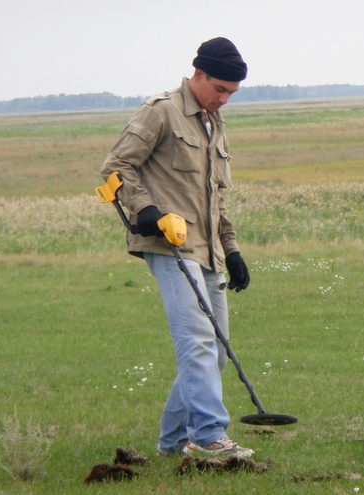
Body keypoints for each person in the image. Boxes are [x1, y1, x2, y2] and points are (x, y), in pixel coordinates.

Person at [100, 37, 253, 458]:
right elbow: (116, 165)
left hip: (209, 250)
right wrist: (144, 207)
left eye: (231, 94)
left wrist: (232, 249)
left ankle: (172, 443)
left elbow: (215, 196)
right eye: (219, 89)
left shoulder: (213, 122)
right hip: (168, 245)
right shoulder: (161, 111)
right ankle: (208, 436)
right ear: (198, 74)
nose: (224, 99)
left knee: (216, 349)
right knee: (198, 341)